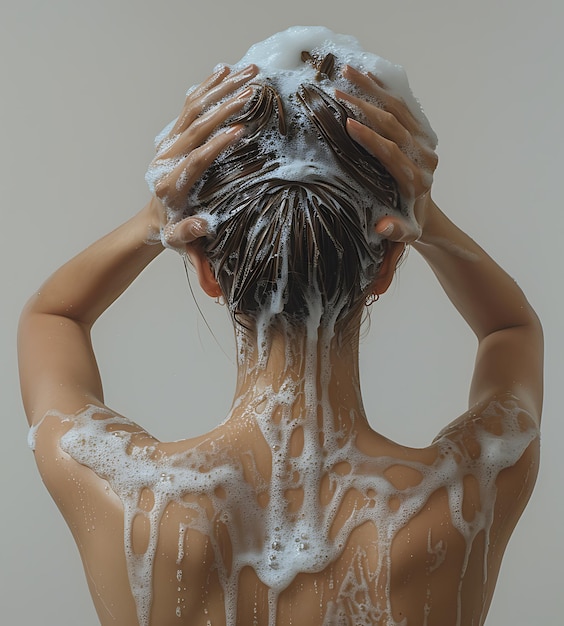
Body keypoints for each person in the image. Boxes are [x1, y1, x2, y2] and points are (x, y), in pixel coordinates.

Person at [18, 55, 542, 626]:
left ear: (208, 272)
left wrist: (154, 218)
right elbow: (510, 328)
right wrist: (426, 218)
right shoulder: (465, 496)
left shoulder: (129, 498)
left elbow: (52, 316)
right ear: (388, 263)